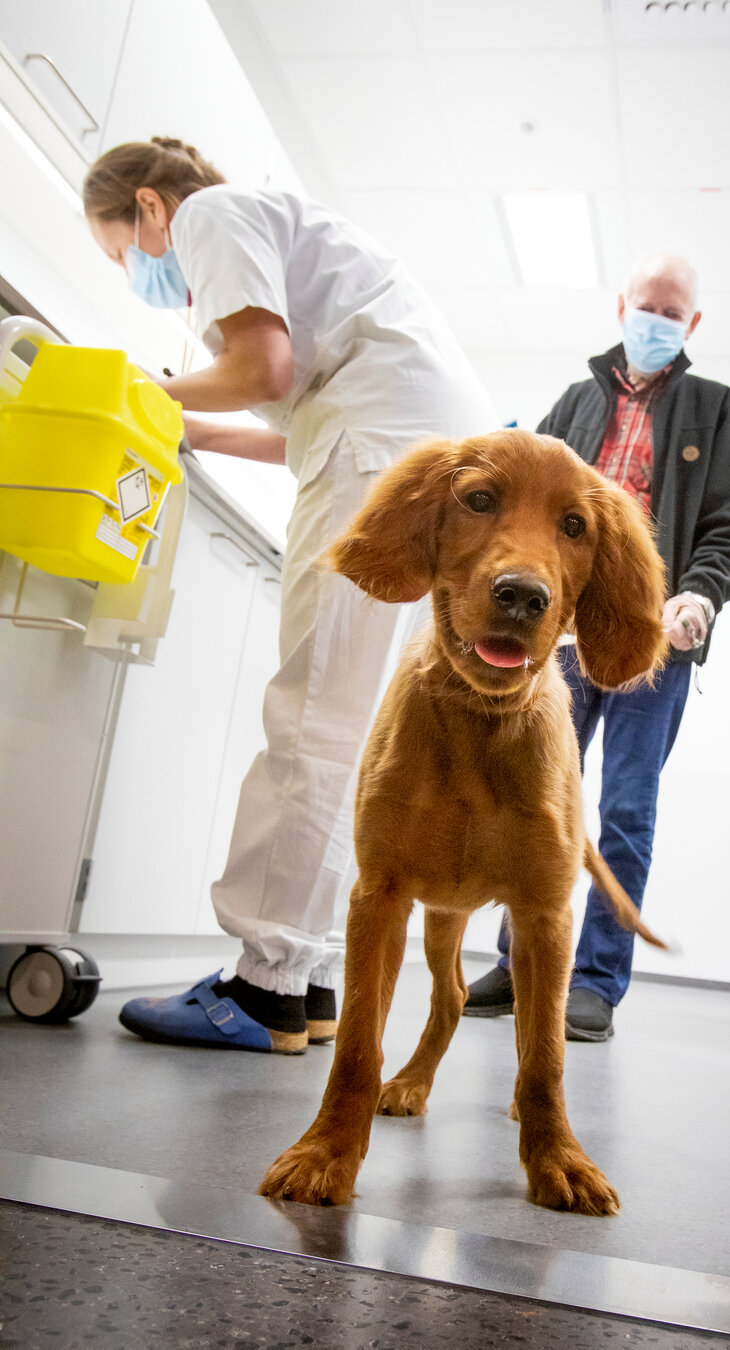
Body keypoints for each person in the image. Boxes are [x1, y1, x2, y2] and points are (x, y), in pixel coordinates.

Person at [84, 136, 496, 1053]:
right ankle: (306, 979)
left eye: (121, 251)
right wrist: (191, 426)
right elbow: (295, 418)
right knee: (350, 734)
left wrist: (135, 387)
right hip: (422, 466)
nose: (137, 270)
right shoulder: (285, 238)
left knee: (312, 718)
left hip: (381, 459)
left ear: (151, 207)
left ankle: (260, 988)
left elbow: (264, 374)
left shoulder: (211, 217)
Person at [463, 252, 730, 1042]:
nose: (655, 321)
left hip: (654, 638)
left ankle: (593, 982)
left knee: (626, 807)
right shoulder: (573, 401)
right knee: (531, 795)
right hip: (563, 631)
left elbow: (727, 527)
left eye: (672, 313)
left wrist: (700, 596)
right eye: (645, 306)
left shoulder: (715, 408)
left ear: (691, 324)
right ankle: (517, 961)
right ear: (621, 305)